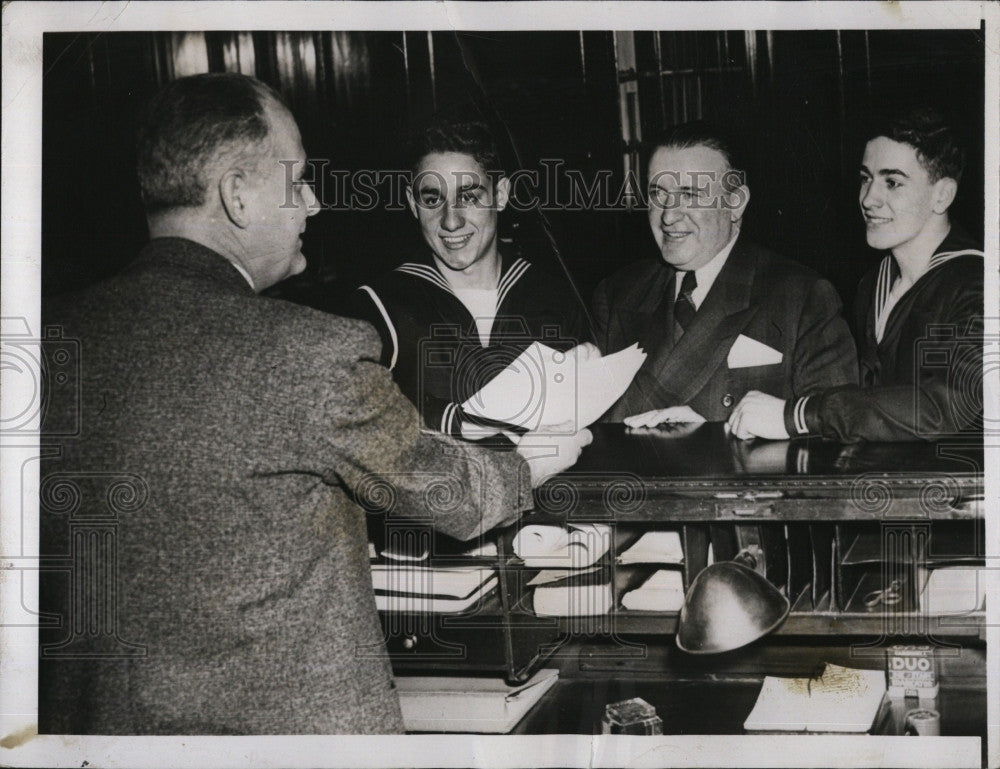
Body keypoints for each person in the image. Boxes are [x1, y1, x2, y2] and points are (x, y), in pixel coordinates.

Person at [39, 73, 590, 735]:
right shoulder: (305, 349)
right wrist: (529, 464)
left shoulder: (51, 338)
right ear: (238, 195)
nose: (315, 205)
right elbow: (452, 493)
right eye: (298, 180)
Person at [728, 107, 983, 442]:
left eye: (892, 182)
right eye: (866, 178)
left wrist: (797, 415)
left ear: (943, 195)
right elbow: (860, 406)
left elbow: (943, 409)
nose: (868, 198)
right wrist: (723, 420)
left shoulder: (978, 285)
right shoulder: (874, 283)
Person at [592, 121, 858, 427]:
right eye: (658, 193)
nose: (668, 214)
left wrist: (715, 441)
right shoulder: (617, 294)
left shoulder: (800, 297)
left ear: (735, 202)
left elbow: (836, 428)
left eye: (689, 194)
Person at [349, 114, 591, 438]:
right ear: (412, 203)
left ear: (501, 195)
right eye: (432, 199)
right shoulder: (379, 306)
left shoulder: (556, 299)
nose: (451, 221)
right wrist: (451, 419)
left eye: (470, 196)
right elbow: (345, 415)